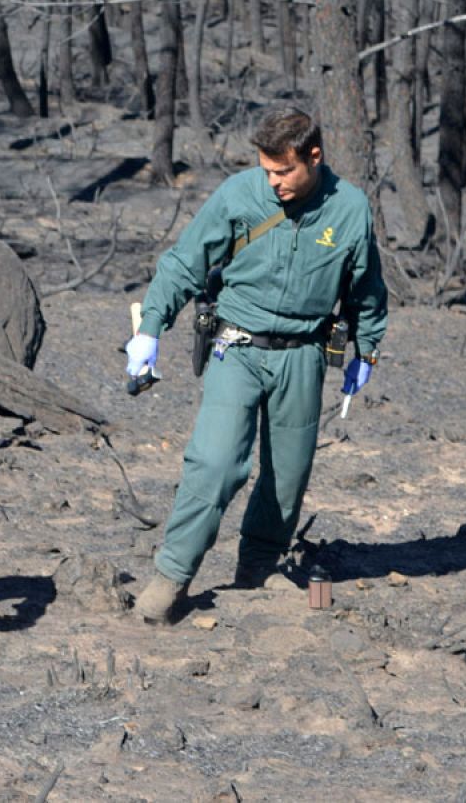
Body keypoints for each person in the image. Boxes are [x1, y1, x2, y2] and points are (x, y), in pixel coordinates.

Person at [124, 106, 388, 624]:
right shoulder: (240, 195)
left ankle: (260, 566)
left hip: (304, 354)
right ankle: (171, 577)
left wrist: (368, 348)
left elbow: (367, 288)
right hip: (237, 346)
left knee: (287, 473)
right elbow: (184, 263)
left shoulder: (350, 208)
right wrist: (149, 328)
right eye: (266, 170)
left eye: (283, 171)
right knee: (216, 462)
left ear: (314, 156)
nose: (273, 182)